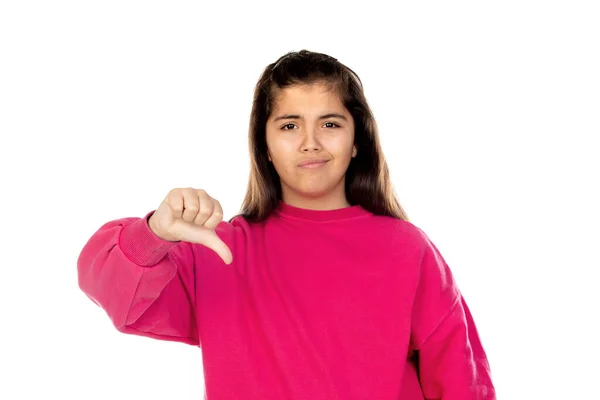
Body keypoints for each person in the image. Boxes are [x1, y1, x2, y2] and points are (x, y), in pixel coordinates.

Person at [77, 49, 496, 399]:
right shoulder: (218, 250)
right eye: (289, 125)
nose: (310, 141)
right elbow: (117, 295)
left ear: (356, 143)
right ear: (266, 146)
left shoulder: (407, 248)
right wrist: (155, 234)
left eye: (330, 124)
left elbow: (462, 382)